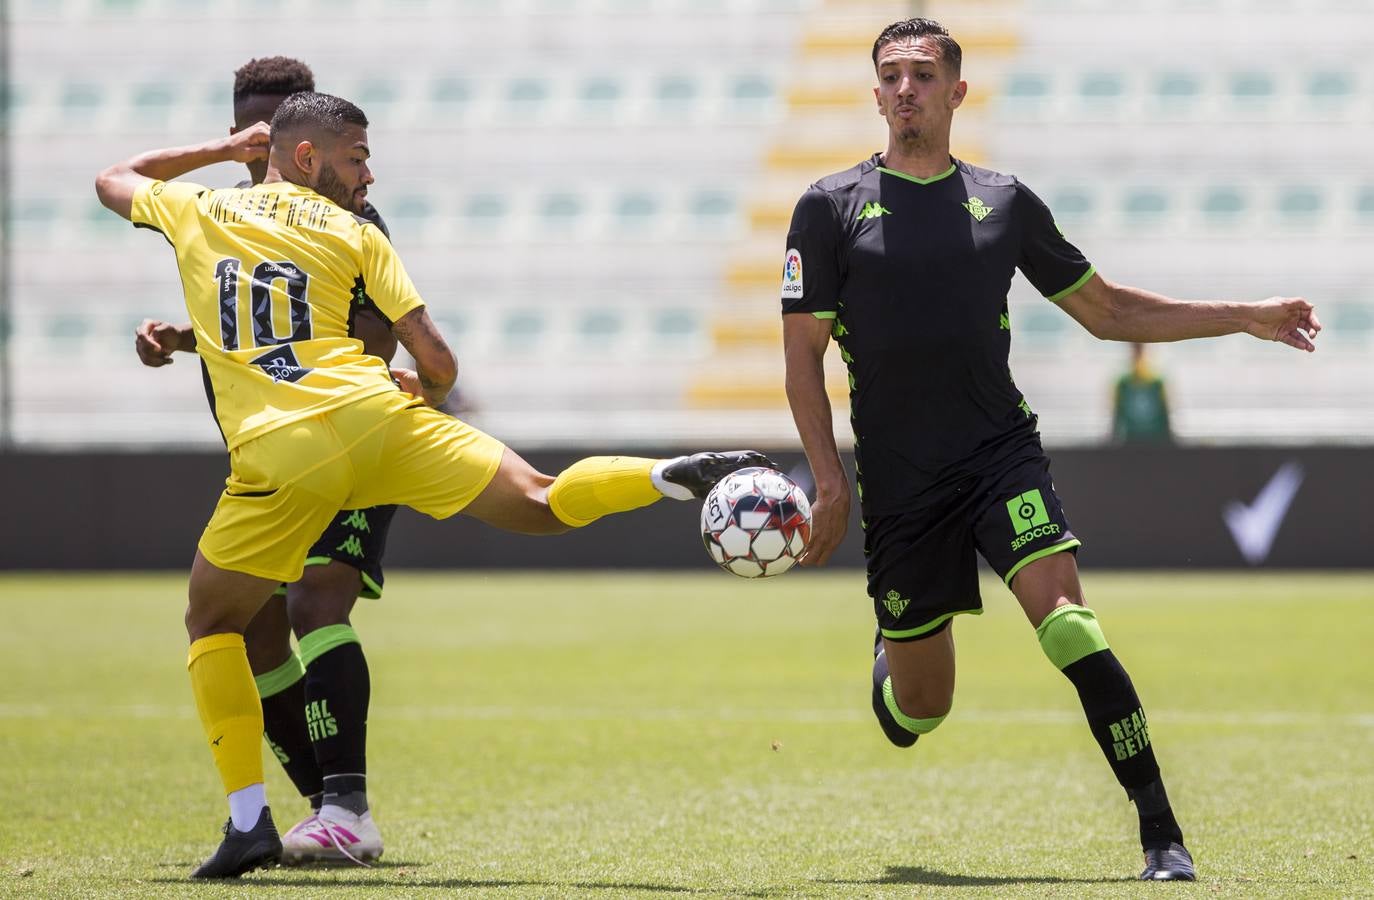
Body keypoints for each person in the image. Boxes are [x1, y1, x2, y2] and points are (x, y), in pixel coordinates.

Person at [95, 90, 769, 879]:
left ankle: (249, 821)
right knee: (543, 501)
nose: (368, 172)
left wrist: (224, 146)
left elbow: (114, 176)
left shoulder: (200, 208)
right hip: (378, 417)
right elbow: (440, 362)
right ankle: (665, 474)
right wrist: (428, 395)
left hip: (278, 450)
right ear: (308, 157)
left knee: (213, 618)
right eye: (357, 157)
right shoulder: (354, 232)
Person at [780, 17, 1319, 882]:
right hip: (903, 485)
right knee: (919, 714)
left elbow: (1108, 311)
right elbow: (800, 353)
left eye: (923, 74)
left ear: (958, 92)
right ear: (874, 92)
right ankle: (891, 664)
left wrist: (1242, 316)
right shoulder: (827, 206)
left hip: (999, 456)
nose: (905, 88)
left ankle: (1161, 834)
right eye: (891, 75)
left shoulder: (1004, 202)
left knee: (1069, 626)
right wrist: (829, 481)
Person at [135, 56, 399, 867]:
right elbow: (248, 321)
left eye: (277, 126)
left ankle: (347, 806)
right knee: (253, 632)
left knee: (318, 602)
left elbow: (381, 334)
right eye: (249, 129)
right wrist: (182, 339)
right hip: (269, 454)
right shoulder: (224, 214)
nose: (265, 144)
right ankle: (325, 810)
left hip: (347, 435)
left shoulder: (352, 213)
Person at [1111, 343, 1173, 444]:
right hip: (1130, 442)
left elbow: (1165, 415)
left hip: (1155, 441)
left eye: (1140, 349)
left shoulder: (1157, 382)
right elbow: (1117, 415)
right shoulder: (1123, 383)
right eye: (1135, 349)